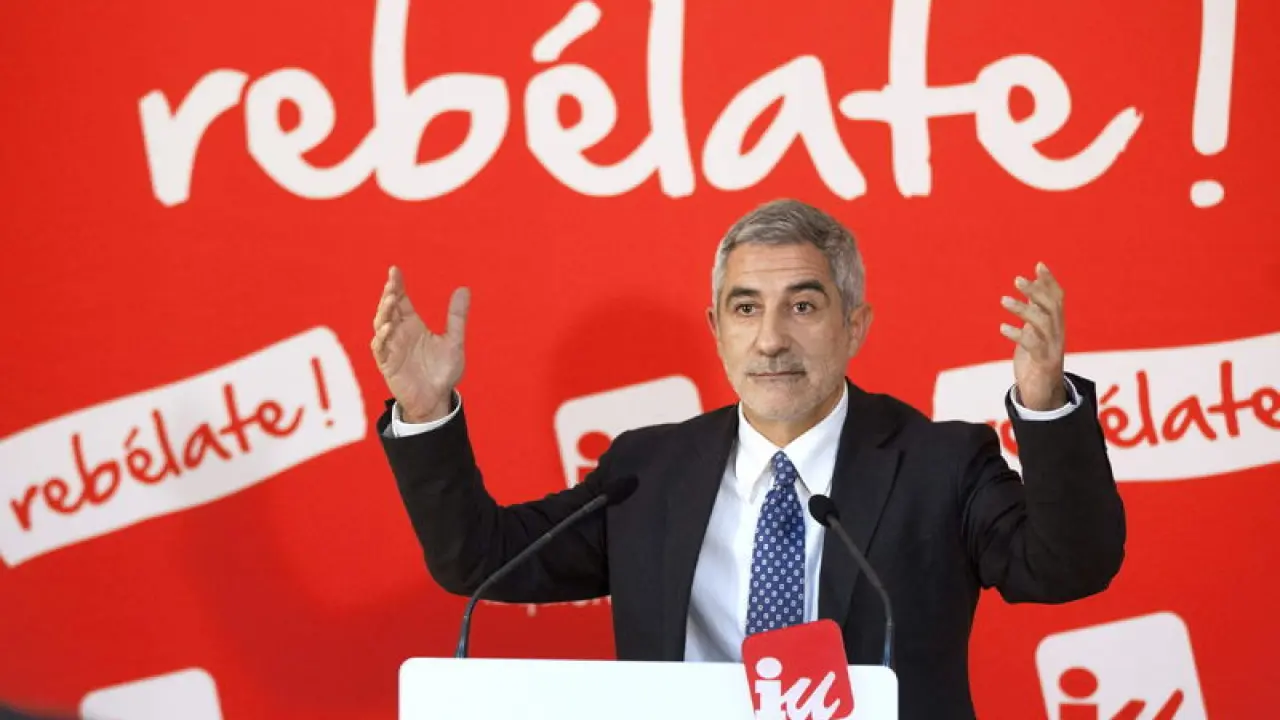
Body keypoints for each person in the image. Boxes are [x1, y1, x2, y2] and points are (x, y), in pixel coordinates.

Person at [370, 198, 1125, 720]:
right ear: (717, 328)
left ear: (855, 325)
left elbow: (1069, 567)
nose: (770, 339)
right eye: (745, 308)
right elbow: (480, 559)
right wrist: (426, 412)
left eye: (803, 306)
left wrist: (1045, 404)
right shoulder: (649, 472)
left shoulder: (940, 463)